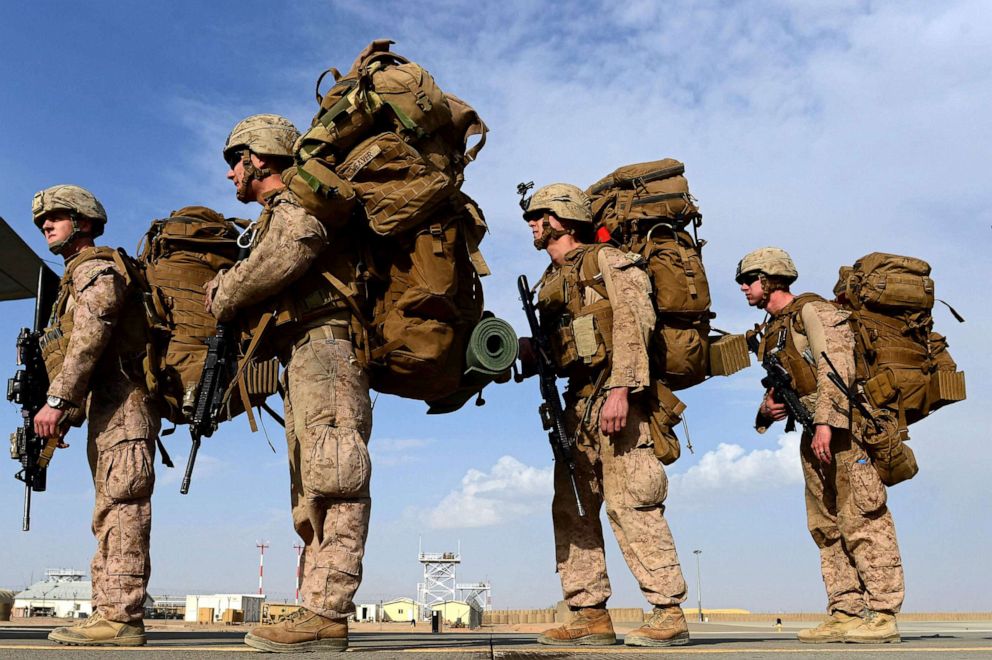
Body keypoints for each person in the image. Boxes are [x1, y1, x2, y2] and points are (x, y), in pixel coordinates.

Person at [205, 114, 370, 653]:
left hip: (327, 348)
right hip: (303, 354)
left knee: (337, 472)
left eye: (235, 160)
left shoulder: (300, 206)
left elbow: (292, 248)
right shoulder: (278, 212)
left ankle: (327, 611)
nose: (230, 174)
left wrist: (227, 290)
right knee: (310, 482)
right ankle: (314, 606)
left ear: (262, 157)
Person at [519, 184, 690, 648]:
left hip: (618, 399)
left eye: (541, 215)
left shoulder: (609, 261)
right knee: (573, 507)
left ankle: (668, 611)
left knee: (632, 501)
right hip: (575, 408)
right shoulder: (550, 282)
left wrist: (621, 390)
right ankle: (588, 612)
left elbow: (636, 322)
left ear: (565, 219)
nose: (533, 224)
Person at [736, 247, 904, 644]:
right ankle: (846, 610)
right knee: (825, 523)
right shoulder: (773, 328)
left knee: (863, 516)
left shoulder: (815, 311)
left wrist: (828, 423)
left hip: (846, 431)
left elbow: (837, 369)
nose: (744, 287)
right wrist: (768, 408)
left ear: (772, 278)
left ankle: (882, 613)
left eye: (749, 279)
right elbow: (791, 381)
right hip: (814, 432)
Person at [33, 185, 159, 647]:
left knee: (123, 507)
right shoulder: (74, 276)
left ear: (83, 222)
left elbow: (91, 335)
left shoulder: (97, 269)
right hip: (109, 407)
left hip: (126, 405)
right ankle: (108, 611)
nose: (46, 224)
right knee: (109, 509)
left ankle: (122, 618)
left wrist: (59, 400)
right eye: (43, 220)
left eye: (57, 216)